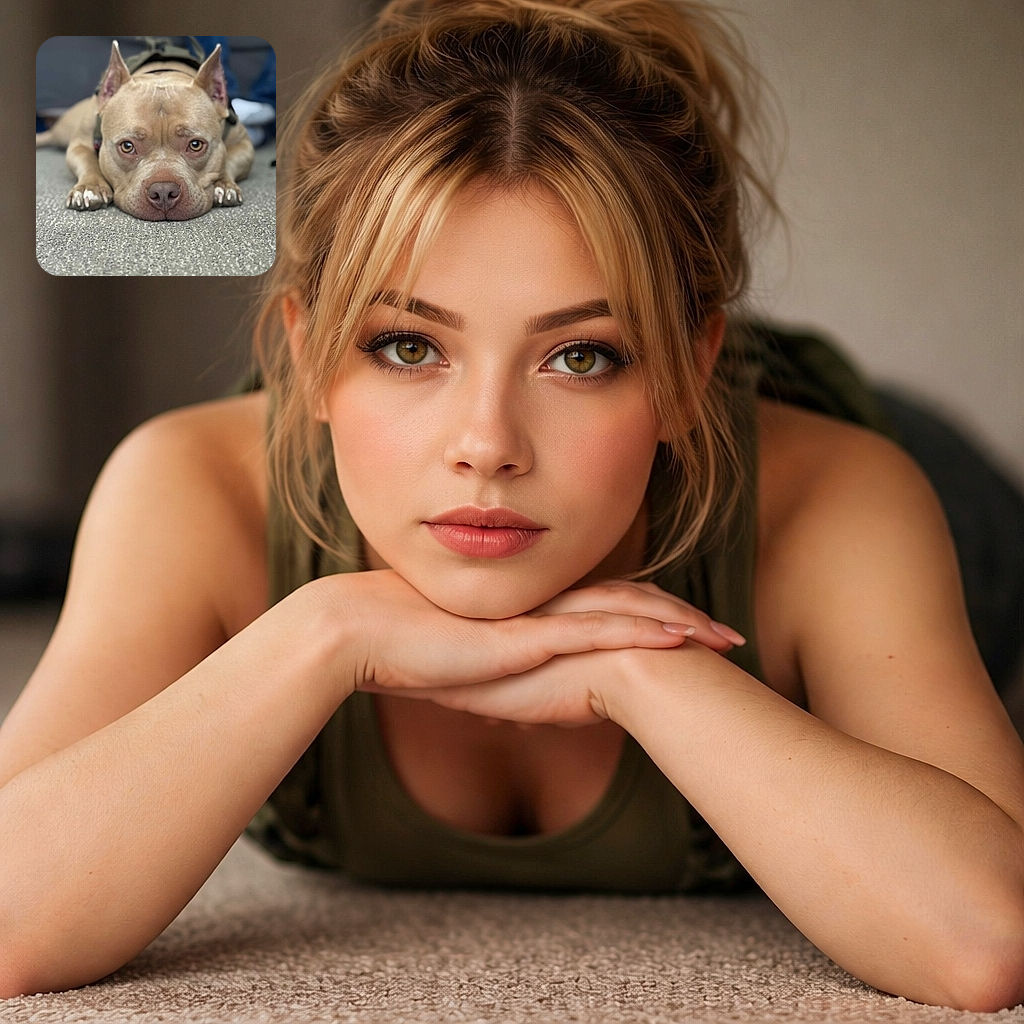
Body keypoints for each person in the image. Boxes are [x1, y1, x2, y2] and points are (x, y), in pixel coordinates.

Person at [1, 0, 1022, 1009]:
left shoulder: (835, 498)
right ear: (309, 357)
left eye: (582, 355)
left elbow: (986, 938)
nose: (486, 444)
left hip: (917, 486)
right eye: (409, 346)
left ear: (683, 369)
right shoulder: (194, 487)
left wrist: (641, 667)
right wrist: (323, 630)